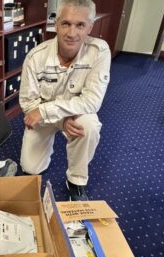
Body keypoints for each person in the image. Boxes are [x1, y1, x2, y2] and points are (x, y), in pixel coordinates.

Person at [19, 0, 111, 201]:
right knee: (30, 167)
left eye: (80, 25)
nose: (71, 33)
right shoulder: (36, 57)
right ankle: (50, 140)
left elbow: (92, 102)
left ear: (90, 27)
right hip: (44, 118)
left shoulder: (99, 51)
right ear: (56, 23)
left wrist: (47, 111)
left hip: (72, 113)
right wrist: (60, 120)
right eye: (66, 23)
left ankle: (76, 181)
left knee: (88, 126)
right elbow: (28, 104)